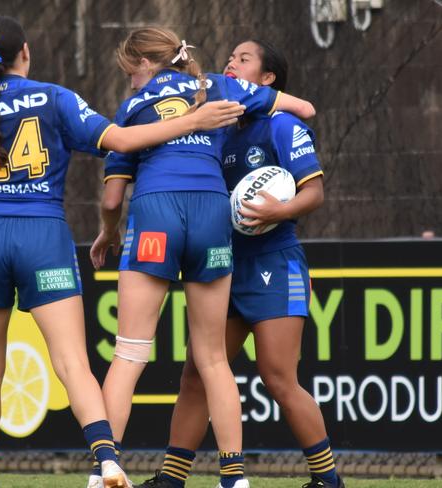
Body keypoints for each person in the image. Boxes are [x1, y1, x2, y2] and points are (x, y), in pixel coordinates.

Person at [0, 15, 245, 488]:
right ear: (25, 53)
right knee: (72, 362)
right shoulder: (55, 98)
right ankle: (108, 462)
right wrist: (193, 121)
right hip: (43, 236)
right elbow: (122, 139)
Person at [89, 28, 316, 488]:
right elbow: (303, 109)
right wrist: (256, 105)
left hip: (157, 211)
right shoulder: (217, 85)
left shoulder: (133, 108)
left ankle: (106, 469)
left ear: (144, 65)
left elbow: (113, 200)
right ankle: (234, 477)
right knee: (213, 359)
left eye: (129, 71)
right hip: (213, 212)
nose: (130, 81)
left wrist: (108, 234)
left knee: (130, 354)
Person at [136, 41, 344, 488]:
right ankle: (172, 479)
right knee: (197, 372)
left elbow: (315, 193)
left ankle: (327, 480)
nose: (230, 63)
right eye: (230, 57)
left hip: (275, 263)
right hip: (224, 265)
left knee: (277, 376)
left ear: (267, 80)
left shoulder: (281, 126)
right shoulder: (218, 129)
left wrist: (277, 212)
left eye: (243, 59)